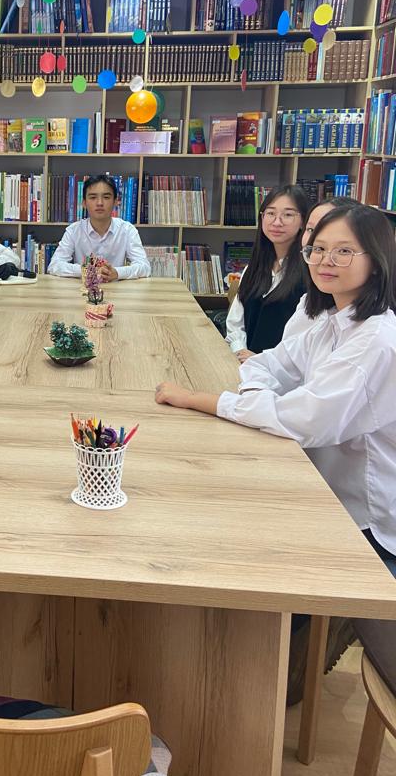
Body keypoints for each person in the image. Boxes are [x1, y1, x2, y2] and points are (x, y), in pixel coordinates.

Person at [155, 203, 396, 573]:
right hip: (319, 484)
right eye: (318, 248)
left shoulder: (375, 340)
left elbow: (304, 421)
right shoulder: (330, 322)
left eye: (344, 251)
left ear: (377, 261)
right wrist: (263, 401)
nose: (325, 260)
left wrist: (200, 400)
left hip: (362, 517)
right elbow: (266, 365)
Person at [225, 185, 310, 362]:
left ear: (303, 221)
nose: (277, 222)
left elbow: (305, 339)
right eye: (270, 213)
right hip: (244, 364)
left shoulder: (310, 273)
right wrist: (240, 351)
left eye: (288, 215)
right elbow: (235, 322)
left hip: (282, 371)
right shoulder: (253, 268)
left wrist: (263, 360)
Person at [282, 195, 360, 341]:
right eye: (311, 229)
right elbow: (287, 352)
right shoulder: (311, 298)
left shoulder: (372, 330)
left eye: (326, 229)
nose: (316, 240)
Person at [47, 174, 151, 280]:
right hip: (83, 288)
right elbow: (55, 265)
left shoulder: (127, 230)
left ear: (116, 202)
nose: (100, 203)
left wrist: (117, 273)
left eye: (106, 197)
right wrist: (87, 270)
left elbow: (144, 267)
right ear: (84, 203)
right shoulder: (74, 231)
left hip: (116, 287)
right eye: (93, 197)